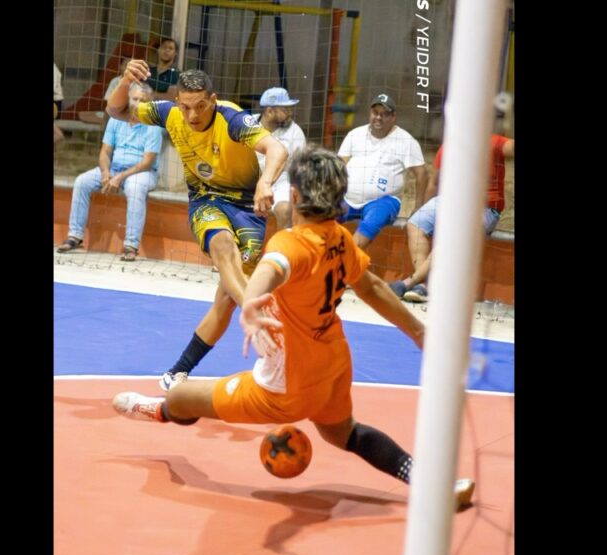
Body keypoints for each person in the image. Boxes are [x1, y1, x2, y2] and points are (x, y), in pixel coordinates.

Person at [112, 146, 475, 506]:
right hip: (333, 367)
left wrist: (251, 304)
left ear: (296, 195)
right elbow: (374, 287)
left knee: (178, 396)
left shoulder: (290, 242)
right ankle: (435, 485)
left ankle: (159, 410)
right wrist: (418, 331)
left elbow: (271, 268)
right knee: (345, 434)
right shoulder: (340, 238)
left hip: (284, 387)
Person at [107, 61, 289, 390]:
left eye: (200, 107)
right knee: (221, 247)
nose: (192, 116)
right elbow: (117, 110)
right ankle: (263, 320)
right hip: (206, 199)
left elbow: (277, 148)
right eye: (185, 107)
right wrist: (124, 81)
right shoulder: (169, 113)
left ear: (213, 100)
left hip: (248, 207)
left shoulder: (232, 119)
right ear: (178, 102)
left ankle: (178, 370)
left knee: (226, 299)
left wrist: (265, 182)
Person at [391, 135, 514, 303]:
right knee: (416, 223)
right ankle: (426, 285)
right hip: (450, 201)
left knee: (452, 233)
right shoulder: (448, 146)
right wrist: (424, 209)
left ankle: (410, 282)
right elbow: (434, 183)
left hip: (484, 208)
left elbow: (511, 147)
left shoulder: (491, 140)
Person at [57, 82, 163, 261]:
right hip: (114, 168)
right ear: (128, 100)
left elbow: (147, 162)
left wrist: (121, 176)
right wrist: (106, 172)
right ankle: (75, 235)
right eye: (135, 99)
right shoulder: (116, 119)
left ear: (149, 103)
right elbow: (105, 152)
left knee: (135, 188)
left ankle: (131, 245)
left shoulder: (153, 125)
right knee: (82, 181)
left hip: (142, 172)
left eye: (143, 100)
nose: (138, 103)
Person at [337, 93, 426, 249]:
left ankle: (347, 258)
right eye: (375, 113)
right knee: (321, 216)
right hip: (347, 198)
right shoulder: (355, 134)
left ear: (393, 117)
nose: (378, 117)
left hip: (384, 200)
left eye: (384, 114)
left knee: (372, 221)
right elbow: (338, 165)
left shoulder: (406, 140)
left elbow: (422, 174)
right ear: (370, 113)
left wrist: (418, 207)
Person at [255, 87, 307, 230]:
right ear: (270, 111)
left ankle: (281, 249)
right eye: (285, 109)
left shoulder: (295, 132)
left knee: (284, 210)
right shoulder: (248, 124)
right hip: (249, 178)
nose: (290, 112)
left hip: (281, 181)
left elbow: (300, 168)